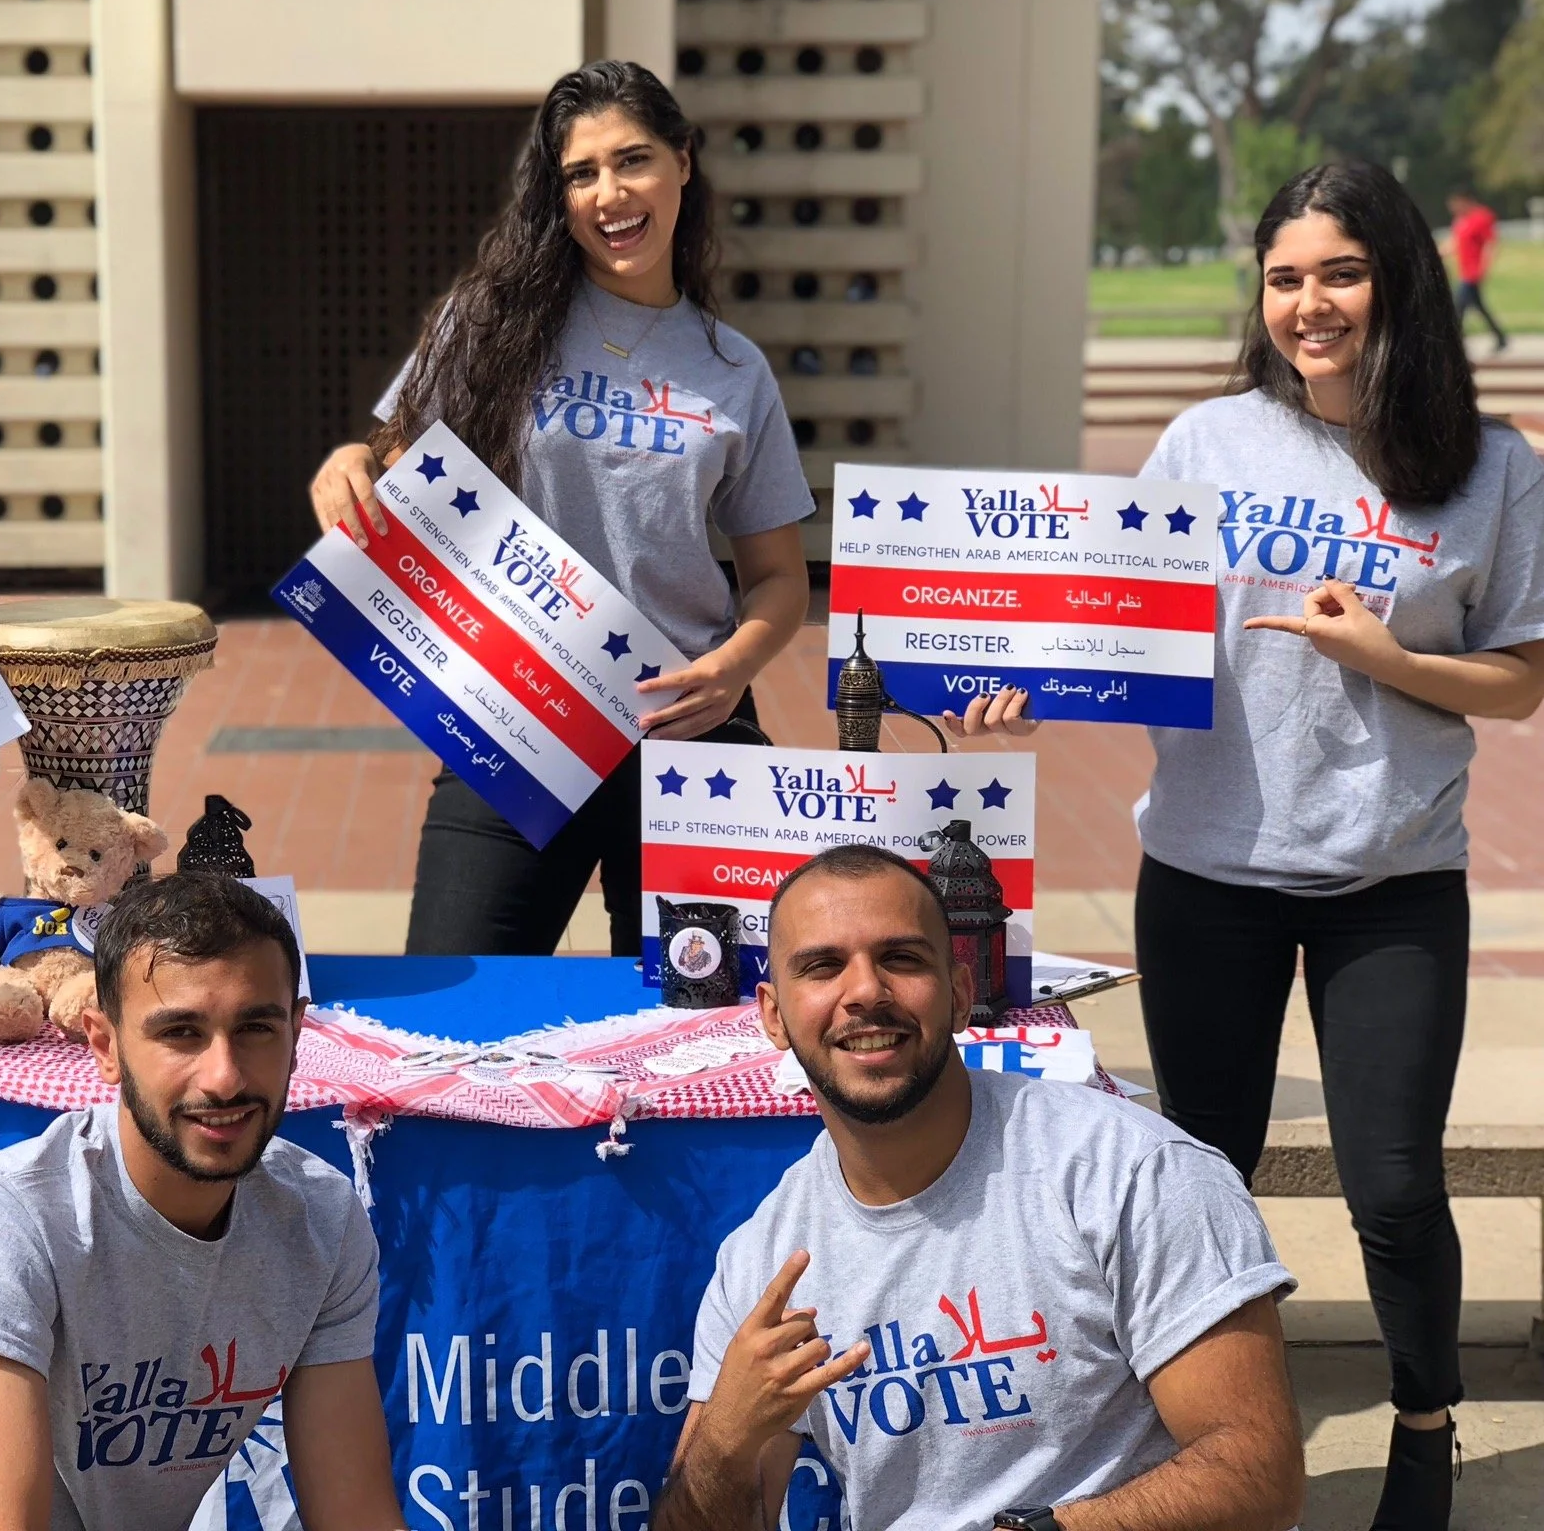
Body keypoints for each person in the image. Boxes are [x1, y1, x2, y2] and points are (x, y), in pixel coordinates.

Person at [957, 161, 1544, 1529]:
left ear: (1394, 275)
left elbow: (1520, 681)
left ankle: (1423, 1419)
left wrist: (1383, 654)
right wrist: (1018, 686)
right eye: (1285, 278)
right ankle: (1207, 1427)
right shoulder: (1208, 443)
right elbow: (1116, 630)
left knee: (1392, 1185)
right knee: (1201, 1171)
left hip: (1392, 879)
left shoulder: (1492, 462)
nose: (1309, 304)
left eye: (1338, 272)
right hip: (1210, 871)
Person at [307, 60, 813, 957]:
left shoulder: (734, 369)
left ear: (683, 164)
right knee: (454, 1019)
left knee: (693, 1032)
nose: (609, 194)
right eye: (581, 174)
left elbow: (778, 579)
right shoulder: (490, 322)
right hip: (515, 712)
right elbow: (389, 469)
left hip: (685, 731)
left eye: (633, 160)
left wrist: (731, 669)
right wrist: (348, 461)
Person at [658, 846, 1304, 1531]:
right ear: (773, 1015)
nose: (864, 992)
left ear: (963, 994)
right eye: (822, 966)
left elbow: (1259, 1477)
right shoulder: (765, 1259)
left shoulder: (1131, 1170)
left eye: (902, 959)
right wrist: (725, 1438)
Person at [0, 871, 402, 1531]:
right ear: (105, 1046)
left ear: (296, 1033)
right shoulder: (3, 1220)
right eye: (181, 1034)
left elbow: (357, 1514)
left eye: (255, 1027)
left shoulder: (322, 1219)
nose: (224, 1077)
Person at [1445, 189, 1508, 353]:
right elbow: (1455, 243)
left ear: (1465, 201)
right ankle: (1500, 337)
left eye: (1456, 204)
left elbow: (1491, 243)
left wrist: (1485, 267)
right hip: (1464, 271)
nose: (1453, 209)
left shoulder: (1482, 217)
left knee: (1459, 306)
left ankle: (1455, 343)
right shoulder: (1460, 220)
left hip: (1473, 272)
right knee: (1479, 306)